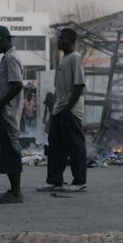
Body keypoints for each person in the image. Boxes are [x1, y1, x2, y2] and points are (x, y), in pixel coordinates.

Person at [38, 28, 87, 193]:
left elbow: (79, 85)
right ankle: (54, 180)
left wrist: (68, 107)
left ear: (71, 41)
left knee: (75, 146)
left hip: (70, 109)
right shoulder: (64, 58)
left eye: (62, 38)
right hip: (59, 109)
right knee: (55, 146)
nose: (59, 41)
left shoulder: (75, 57)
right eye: (59, 38)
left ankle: (79, 181)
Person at [0, 25, 24, 204]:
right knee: (6, 151)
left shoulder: (10, 58)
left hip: (7, 113)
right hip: (5, 112)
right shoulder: (7, 58)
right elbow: (8, 84)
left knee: (10, 151)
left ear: (2, 40)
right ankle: (13, 190)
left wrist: (1, 103)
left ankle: (16, 193)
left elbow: (17, 85)